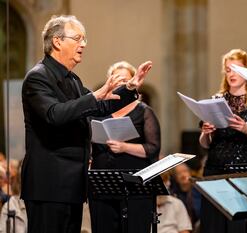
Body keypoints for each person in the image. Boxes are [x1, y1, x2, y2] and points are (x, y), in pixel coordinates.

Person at [21, 15, 152, 233]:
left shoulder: (73, 80)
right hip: (49, 186)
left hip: (72, 186)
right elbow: (54, 114)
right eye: (78, 38)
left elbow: (99, 106)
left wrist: (129, 88)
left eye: (85, 39)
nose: (83, 44)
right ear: (57, 41)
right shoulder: (38, 77)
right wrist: (94, 97)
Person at [198, 48, 247, 233]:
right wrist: (206, 133)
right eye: (228, 70)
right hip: (215, 171)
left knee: (239, 227)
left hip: (244, 174)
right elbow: (205, 144)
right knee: (214, 225)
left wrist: (246, 130)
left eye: (236, 69)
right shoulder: (216, 99)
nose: (231, 74)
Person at [88, 61, 161, 233]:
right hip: (102, 184)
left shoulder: (144, 111)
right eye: (117, 80)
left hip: (135, 186)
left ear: (134, 82)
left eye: (125, 80)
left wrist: (124, 147)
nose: (121, 84)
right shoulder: (98, 110)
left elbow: (153, 148)